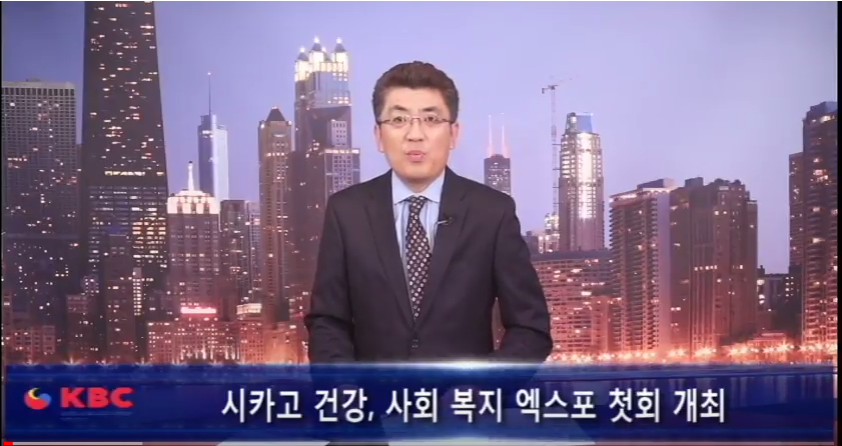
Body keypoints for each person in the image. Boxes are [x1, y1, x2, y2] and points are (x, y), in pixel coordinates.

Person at [304, 61, 552, 444]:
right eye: (398, 120)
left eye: (431, 119)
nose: (415, 135)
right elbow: (327, 320)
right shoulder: (346, 210)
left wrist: (479, 390)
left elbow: (530, 328)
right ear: (378, 135)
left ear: (454, 133)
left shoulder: (491, 212)